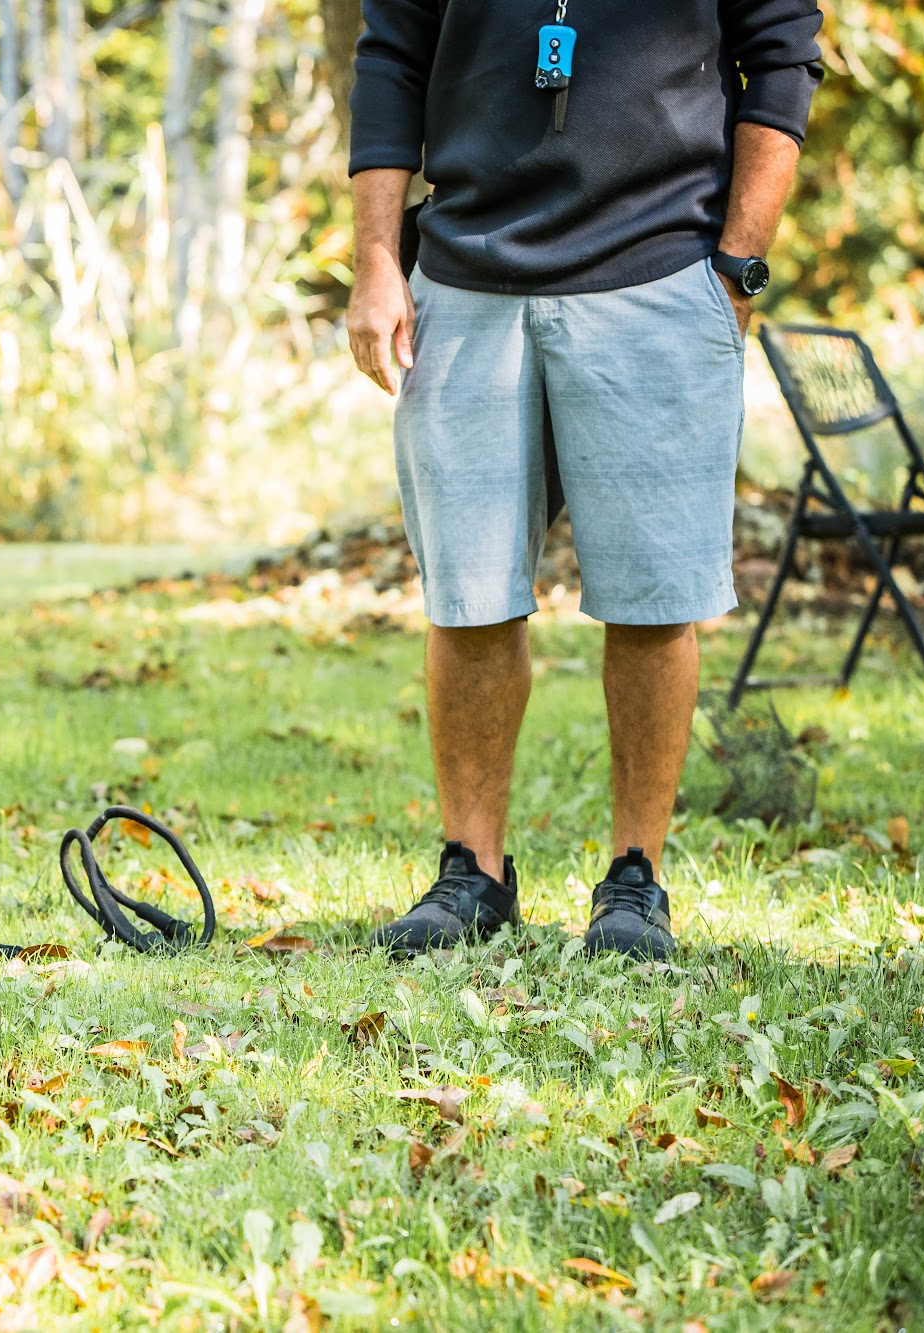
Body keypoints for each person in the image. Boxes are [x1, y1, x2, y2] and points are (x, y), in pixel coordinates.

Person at [345, 0, 824, 958]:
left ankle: (633, 881)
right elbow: (391, 62)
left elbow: (782, 54)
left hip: (657, 274)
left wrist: (738, 267)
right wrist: (373, 261)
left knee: (653, 599)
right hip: (464, 276)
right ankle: (472, 873)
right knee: (468, 597)